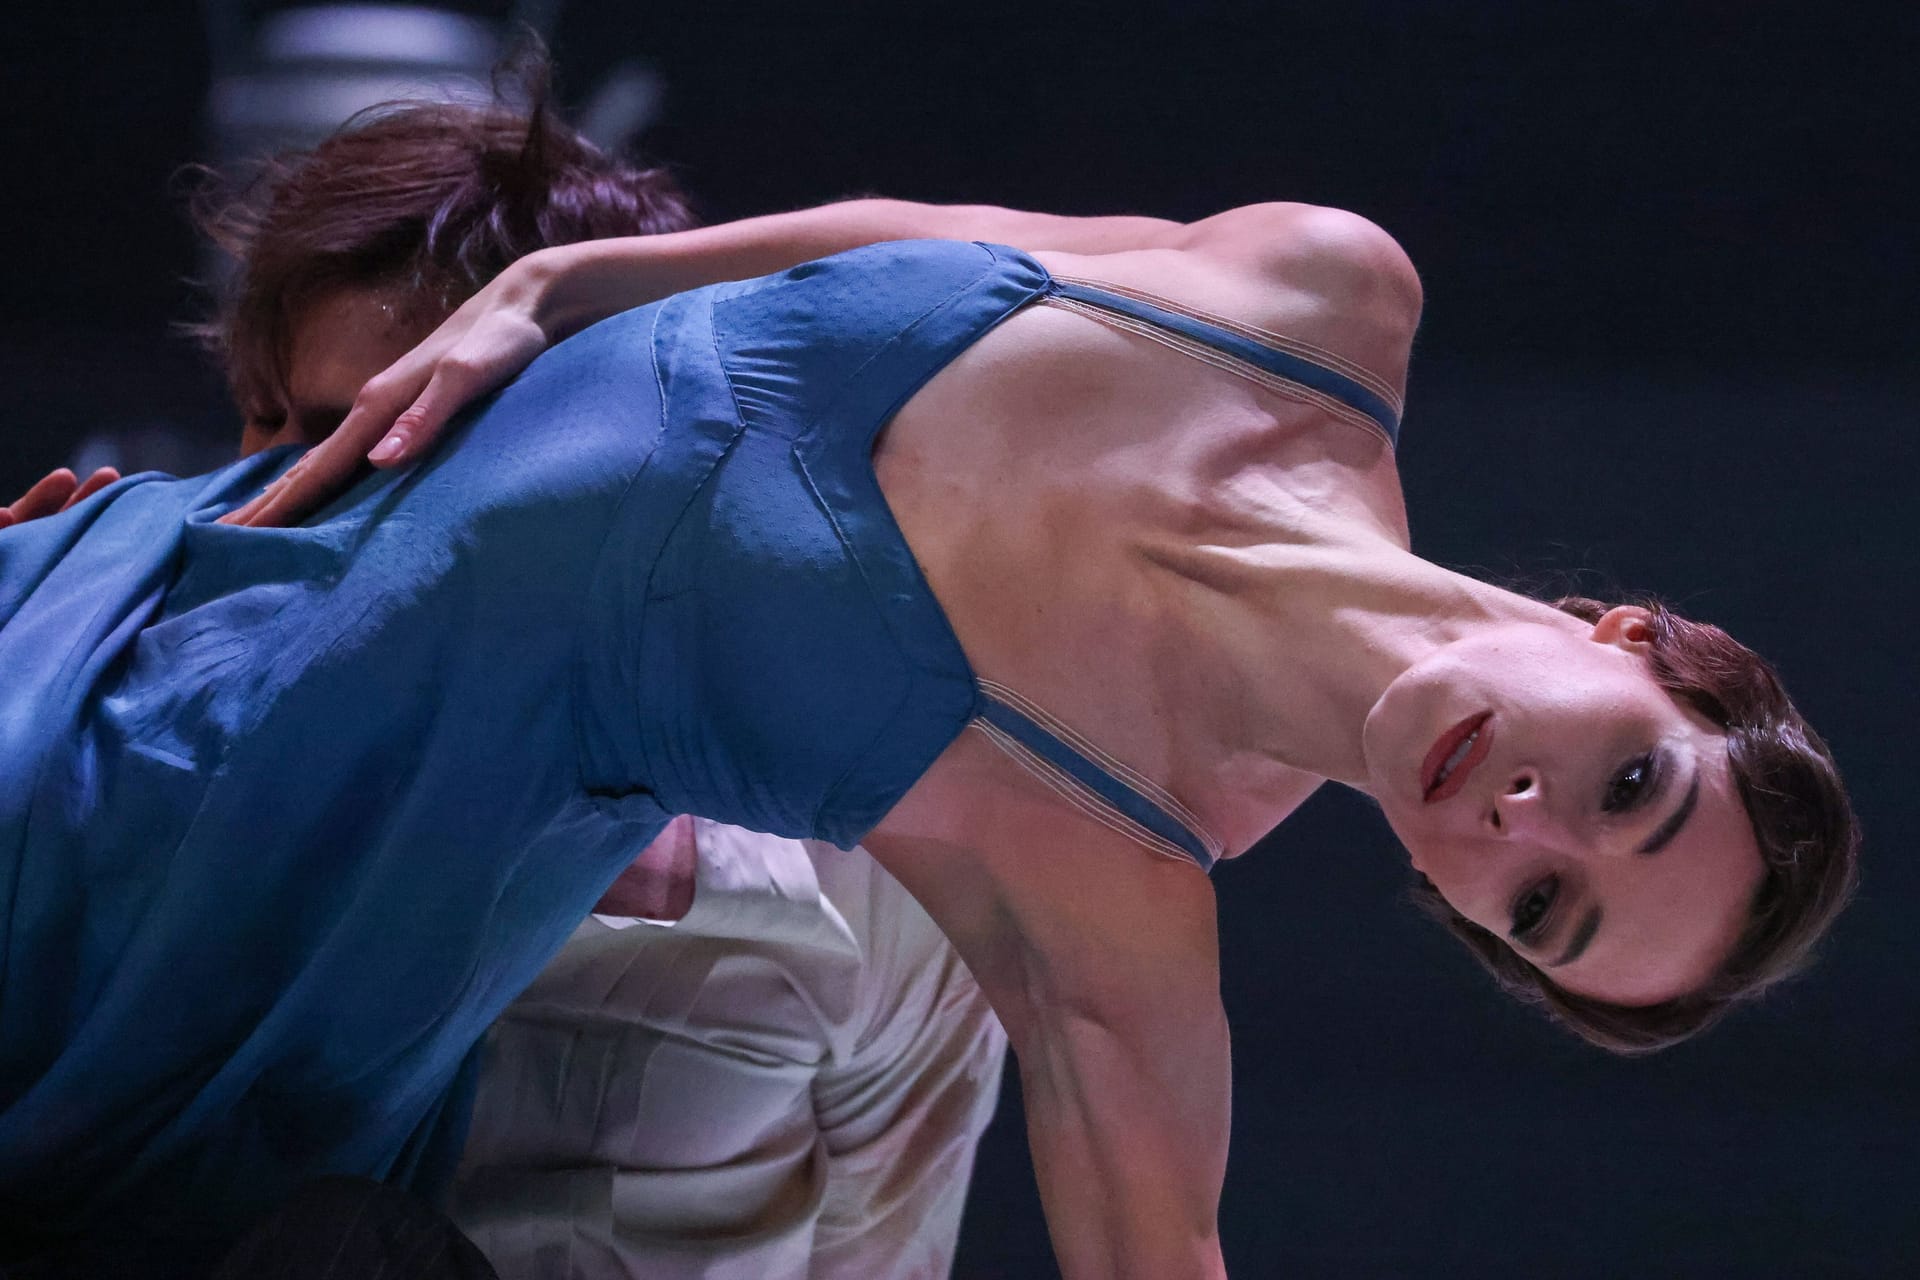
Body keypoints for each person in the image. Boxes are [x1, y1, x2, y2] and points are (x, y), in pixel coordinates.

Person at [0, 183, 1857, 1277]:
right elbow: (926, 225)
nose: (1531, 823)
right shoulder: (1323, 295)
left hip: (256, 917)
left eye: (1544, 912)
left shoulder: (1117, 877)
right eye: (1631, 787)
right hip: (151, 586)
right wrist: (555, 290)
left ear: (1470, 928)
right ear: (1645, 650)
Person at [0, 94, 1006, 1279]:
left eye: (373, 447)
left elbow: (885, 1245)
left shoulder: (876, 858)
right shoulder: (168, 801)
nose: (274, 505)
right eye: (263, 428)